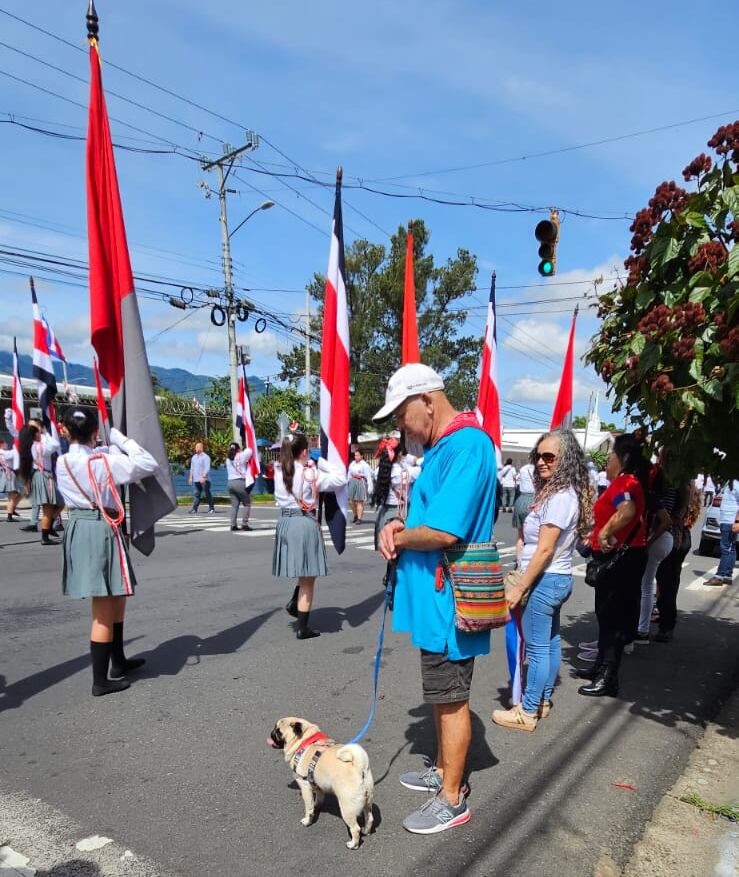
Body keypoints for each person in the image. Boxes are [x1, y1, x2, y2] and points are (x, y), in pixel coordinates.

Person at [375, 364, 496, 835]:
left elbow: (445, 530)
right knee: (441, 692)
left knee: (451, 697)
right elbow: (425, 516)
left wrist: (401, 539)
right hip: (437, 597)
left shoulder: (467, 445)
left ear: (426, 399)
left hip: (452, 598)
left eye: (401, 414)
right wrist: (396, 526)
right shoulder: (448, 446)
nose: (400, 427)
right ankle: (446, 771)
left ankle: (452, 796)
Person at [493, 430, 592, 732]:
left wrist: (521, 586)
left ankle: (528, 711)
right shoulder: (558, 492)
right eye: (538, 456)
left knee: (537, 649)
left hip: (544, 580)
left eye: (549, 457)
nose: (540, 462)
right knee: (548, 645)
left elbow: (546, 548)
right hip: (554, 580)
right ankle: (543, 701)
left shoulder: (561, 496)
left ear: (566, 461)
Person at [55, 408, 158, 696]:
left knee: (116, 595)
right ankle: (100, 681)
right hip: (101, 527)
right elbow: (147, 463)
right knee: (103, 606)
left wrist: (102, 444)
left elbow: (88, 456)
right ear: (94, 432)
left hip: (81, 526)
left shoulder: (62, 461)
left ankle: (118, 662)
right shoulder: (102, 462)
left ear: (65, 431)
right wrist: (121, 440)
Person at [578, 434, 648, 698]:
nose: (606, 464)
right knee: (605, 616)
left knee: (612, 618)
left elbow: (627, 511)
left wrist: (605, 531)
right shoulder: (621, 482)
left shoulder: (626, 482)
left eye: (610, 458)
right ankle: (601, 667)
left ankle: (609, 677)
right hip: (618, 557)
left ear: (624, 459)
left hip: (620, 559)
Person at [273, 432, 346, 639]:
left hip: (285, 522)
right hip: (304, 522)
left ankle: (294, 602)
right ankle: (303, 628)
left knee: (304, 569)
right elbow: (340, 478)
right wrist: (322, 462)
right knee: (308, 577)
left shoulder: (280, 473)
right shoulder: (310, 474)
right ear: (305, 451)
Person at [653, 480, 701, 640]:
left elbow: (666, 514)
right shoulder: (687, 484)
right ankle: (666, 620)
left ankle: (666, 625)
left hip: (673, 537)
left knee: (666, 582)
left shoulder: (674, 485)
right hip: (680, 535)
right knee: (669, 582)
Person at [635, 462, 674, 642]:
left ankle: (641, 630)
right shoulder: (658, 495)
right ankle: (642, 628)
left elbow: (665, 521)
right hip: (666, 540)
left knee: (645, 586)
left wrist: (649, 540)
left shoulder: (647, 495)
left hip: (657, 541)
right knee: (648, 585)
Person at [372, 438, 421, 550]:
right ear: (399, 454)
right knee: (400, 555)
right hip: (400, 514)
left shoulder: (378, 471)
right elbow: (422, 465)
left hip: (384, 515)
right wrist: (414, 459)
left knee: (389, 554)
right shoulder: (405, 473)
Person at [18, 422, 63, 545]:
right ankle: (45, 536)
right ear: (34, 434)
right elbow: (55, 444)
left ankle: (48, 528)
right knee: (49, 508)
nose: (40, 433)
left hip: (40, 476)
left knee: (58, 503)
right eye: (37, 431)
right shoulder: (39, 446)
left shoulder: (30, 446)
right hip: (44, 476)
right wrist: (46, 433)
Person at [705, 479, 739, 586]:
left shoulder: (737, 483)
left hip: (730, 519)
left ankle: (719, 576)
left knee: (726, 548)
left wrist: (737, 521)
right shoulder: (730, 481)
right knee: (731, 548)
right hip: (726, 519)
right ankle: (728, 575)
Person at [225, 441, 254, 532]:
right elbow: (249, 450)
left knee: (234, 505)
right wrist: (247, 440)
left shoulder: (228, 459)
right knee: (247, 503)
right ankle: (244, 524)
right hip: (240, 481)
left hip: (230, 483)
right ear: (238, 449)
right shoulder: (241, 455)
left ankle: (233, 524)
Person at [188, 441, 214, 514]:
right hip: (196, 480)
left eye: (197, 447)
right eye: (195, 447)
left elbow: (207, 468)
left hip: (205, 480)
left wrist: (203, 477)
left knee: (207, 494)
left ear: (201, 448)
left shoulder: (206, 457)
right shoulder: (194, 457)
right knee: (196, 494)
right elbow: (192, 468)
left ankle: (211, 508)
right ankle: (194, 509)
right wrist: (190, 477)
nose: (196, 448)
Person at [347, 449, 373, 524]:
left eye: (357, 455)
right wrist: (347, 481)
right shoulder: (352, 463)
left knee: (359, 501)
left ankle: (359, 518)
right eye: (355, 455)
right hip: (352, 481)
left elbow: (368, 476)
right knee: (351, 501)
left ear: (361, 456)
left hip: (360, 481)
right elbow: (349, 473)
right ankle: (355, 515)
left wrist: (370, 487)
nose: (356, 457)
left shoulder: (365, 465)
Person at [0, 438, 21, 522]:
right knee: (11, 497)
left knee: (13, 495)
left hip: (6, 473)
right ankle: (10, 515)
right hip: (10, 474)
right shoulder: (4, 452)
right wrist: (16, 445)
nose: (6, 444)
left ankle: (11, 511)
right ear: (1, 444)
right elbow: (14, 453)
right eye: (5, 443)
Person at [512, 458, 536, 531]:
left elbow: (515, 477)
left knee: (521, 536)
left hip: (521, 500)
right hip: (533, 499)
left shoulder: (523, 468)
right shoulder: (538, 469)